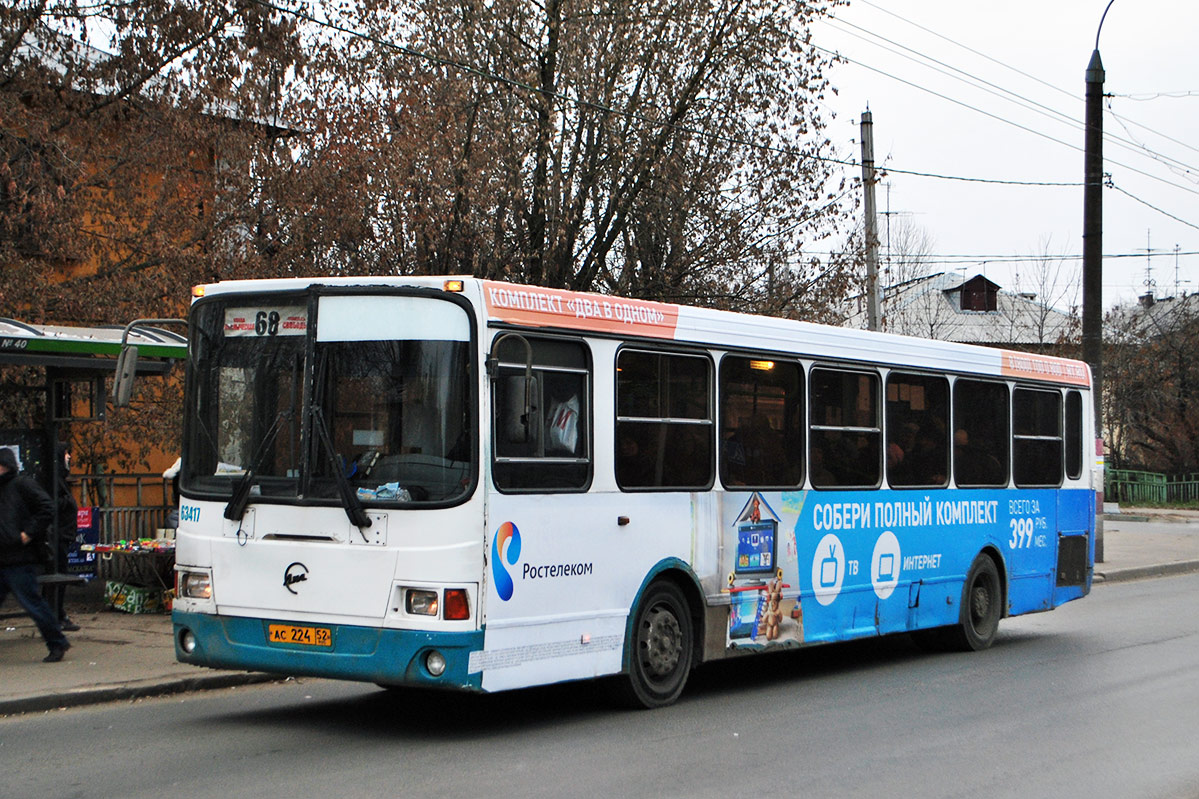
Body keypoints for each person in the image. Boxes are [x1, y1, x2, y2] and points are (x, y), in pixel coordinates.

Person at [0, 447, 71, 662]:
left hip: (18, 558)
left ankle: (57, 642)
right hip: (3, 556)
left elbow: (47, 508)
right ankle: (57, 642)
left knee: (33, 603)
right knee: (33, 602)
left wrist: (28, 533)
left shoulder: (21, 485)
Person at [52, 443, 81, 632]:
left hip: (63, 535)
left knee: (60, 578)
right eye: (66, 453)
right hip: (58, 536)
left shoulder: (60, 479)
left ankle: (58, 614)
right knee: (57, 579)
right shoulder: (54, 479)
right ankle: (55, 617)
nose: (69, 457)